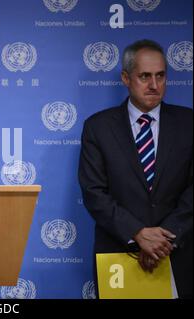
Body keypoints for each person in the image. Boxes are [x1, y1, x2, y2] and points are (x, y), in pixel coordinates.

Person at [78, 39, 192, 299]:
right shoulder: (98, 127)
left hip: (178, 256)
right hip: (119, 254)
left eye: (160, 76)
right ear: (126, 78)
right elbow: (94, 192)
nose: (154, 85)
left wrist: (164, 240)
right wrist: (138, 233)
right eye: (144, 76)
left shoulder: (189, 123)